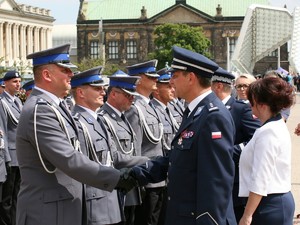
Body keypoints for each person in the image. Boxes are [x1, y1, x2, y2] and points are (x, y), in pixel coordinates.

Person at [15, 44, 137, 225]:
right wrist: (117, 178)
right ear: (47, 75)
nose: (71, 75)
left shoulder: (57, 107)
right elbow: (68, 158)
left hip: (64, 207)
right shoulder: (40, 110)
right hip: (47, 213)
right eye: (65, 70)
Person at [131, 46, 237, 225]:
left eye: (175, 75)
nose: (170, 81)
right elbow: (177, 159)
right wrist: (134, 174)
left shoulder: (213, 116)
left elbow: (216, 181)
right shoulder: (194, 111)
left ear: (191, 78)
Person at [71, 67, 148, 225]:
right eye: (97, 88)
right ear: (80, 93)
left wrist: (149, 162)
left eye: (102, 88)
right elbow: (81, 166)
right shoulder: (77, 123)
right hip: (94, 203)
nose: (103, 92)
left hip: (110, 199)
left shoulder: (97, 120)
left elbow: (114, 157)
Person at [239, 77, 295, 225]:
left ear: (262, 105)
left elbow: (260, 178)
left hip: (268, 205)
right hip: (272, 202)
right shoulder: (275, 125)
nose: (250, 107)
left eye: (252, 103)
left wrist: (247, 215)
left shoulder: (268, 132)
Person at [211, 67, 261, 223]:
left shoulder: (241, 109)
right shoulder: (210, 108)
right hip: (215, 175)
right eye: (239, 86)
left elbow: (255, 140)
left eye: (245, 86)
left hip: (235, 177)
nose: (242, 89)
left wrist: (228, 152)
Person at [99, 70, 148, 225]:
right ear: (113, 94)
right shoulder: (103, 118)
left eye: (133, 95)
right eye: (128, 95)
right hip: (117, 187)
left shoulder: (122, 117)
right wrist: (147, 160)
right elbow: (114, 157)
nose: (132, 99)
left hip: (129, 187)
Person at [125, 60, 165, 225]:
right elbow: (135, 148)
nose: (156, 79)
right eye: (151, 77)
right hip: (147, 181)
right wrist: (140, 179)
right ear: (140, 79)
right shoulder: (135, 108)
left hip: (158, 178)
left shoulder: (150, 105)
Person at [0, 70, 22, 225]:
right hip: (10, 157)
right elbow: (3, 133)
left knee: (17, 196)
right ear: (5, 83)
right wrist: (6, 158)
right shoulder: (2, 103)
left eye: (19, 81)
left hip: (20, 156)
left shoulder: (18, 102)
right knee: (7, 198)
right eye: (14, 81)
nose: (18, 84)